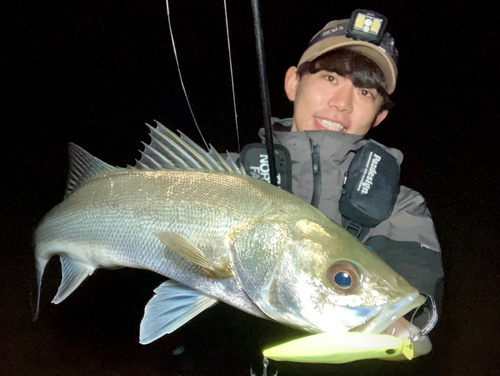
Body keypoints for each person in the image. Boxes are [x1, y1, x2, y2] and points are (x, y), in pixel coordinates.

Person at [244, 12, 443, 355]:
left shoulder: (401, 206)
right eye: (330, 77)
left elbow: (410, 293)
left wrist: (402, 320)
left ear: (379, 116)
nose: (341, 104)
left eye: (365, 92)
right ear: (293, 83)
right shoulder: (224, 174)